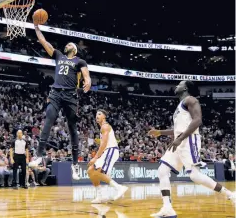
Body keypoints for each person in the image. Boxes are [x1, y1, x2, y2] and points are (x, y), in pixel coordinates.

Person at [148, 81, 235, 217]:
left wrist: (180, 138)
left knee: (194, 175)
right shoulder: (180, 105)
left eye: (179, 84)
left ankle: (230, 194)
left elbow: (197, 120)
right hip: (180, 140)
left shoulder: (191, 99)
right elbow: (178, 129)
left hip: (188, 140)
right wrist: (160, 132)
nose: (177, 86)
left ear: (185, 88)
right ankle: (167, 208)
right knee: (162, 170)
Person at [33, 14, 92, 180]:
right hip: (56, 93)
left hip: (71, 96)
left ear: (74, 49)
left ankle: (74, 164)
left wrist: (87, 81)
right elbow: (45, 43)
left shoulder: (80, 61)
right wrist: (37, 28)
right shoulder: (59, 55)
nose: (67, 44)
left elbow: (86, 75)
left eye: (69, 44)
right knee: (49, 119)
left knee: (73, 129)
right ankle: (39, 155)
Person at [87, 109, 128, 203]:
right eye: (96, 114)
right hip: (106, 152)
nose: (97, 116)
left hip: (111, 150)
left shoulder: (105, 126)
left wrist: (95, 157)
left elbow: (104, 144)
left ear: (104, 116)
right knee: (90, 171)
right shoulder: (102, 128)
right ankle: (100, 196)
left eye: (100, 114)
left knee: (98, 173)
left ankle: (119, 188)